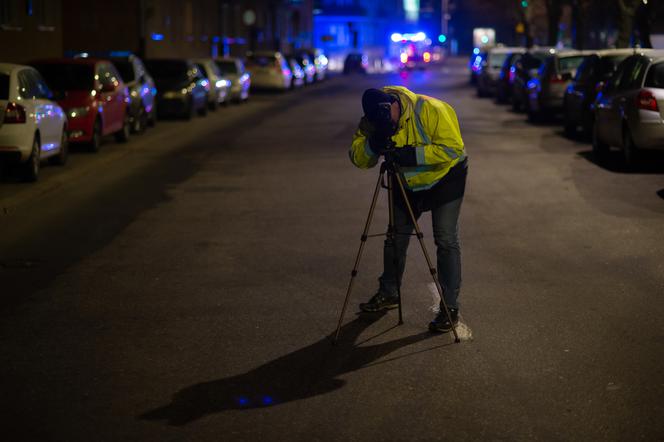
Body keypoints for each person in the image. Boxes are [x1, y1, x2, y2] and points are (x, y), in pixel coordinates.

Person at [349, 86, 468, 333]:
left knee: (445, 239)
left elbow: (453, 148)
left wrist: (411, 155)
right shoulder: (373, 120)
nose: (387, 124)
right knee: (395, 237)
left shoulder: (431, 109)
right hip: (406, 183)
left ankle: (450, 307)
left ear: (393, 104)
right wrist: (374, 143)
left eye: (388, 119)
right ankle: (389, 291)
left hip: (446, 178)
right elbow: (359, 158)